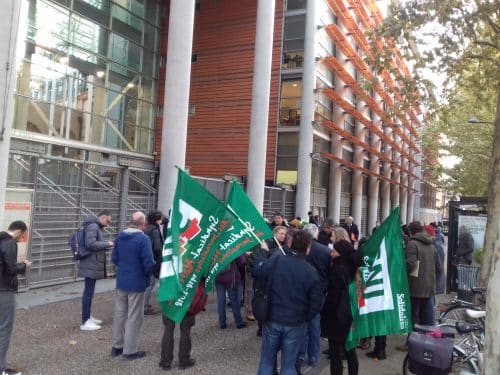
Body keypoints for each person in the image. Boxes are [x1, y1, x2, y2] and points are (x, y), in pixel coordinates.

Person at [253, 230, 323, 375]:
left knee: (267, 360)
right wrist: (305, 318)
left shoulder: (278, 260)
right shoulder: (311, 272)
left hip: (273, 318)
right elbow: (316, 303)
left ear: (291, 244)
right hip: (295, 322)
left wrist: (263, 252)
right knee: (288, 365)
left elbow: (259, 271)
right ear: (308, 248)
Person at [111, 211, 155, 360]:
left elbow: (114, 258)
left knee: (120, 314)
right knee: (134, 316)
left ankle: (117, 346)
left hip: (122, 280)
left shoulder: (120, 237)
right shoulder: (143, 239)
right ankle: (129, 351)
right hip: (137, 281)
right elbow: (148, 262)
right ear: (143, 224)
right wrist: (148, 275)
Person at [396, 221, 442, 352]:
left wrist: (399, 268)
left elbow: (410, 264)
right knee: (425, 318)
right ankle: (423, 343)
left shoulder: (412, 244)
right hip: (429, 288)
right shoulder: (431, 246)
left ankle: (411, 344)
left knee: (414, 318)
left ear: (410, 232)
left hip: (415, 288)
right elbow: (439, 268)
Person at [322, 239, 363, 375]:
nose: (331, 253)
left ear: (341, 253)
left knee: (335, 354)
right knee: (350, 350)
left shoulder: (338, 269)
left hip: (337, 317)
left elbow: (333, 298)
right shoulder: (352, 267)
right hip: (351, 313)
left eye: (334, 251)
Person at [298, 224, 332, 368]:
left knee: (302, 326)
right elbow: (328, 273)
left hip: (302, 292)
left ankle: (300, 355)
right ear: (316, 235)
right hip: (319, 292)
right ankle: (313, 357)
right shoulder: (326, 251)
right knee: (315, 325)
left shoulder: (299, 250)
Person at [0, 221, 31, 375]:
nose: (22, 238)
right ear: (18, 232)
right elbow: (11, 268)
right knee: (4, 329)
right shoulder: (10, 243)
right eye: (23, 235)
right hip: (4, 291)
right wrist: (24, 265)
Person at [78, 210, 113, 331]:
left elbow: (92, 244)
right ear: (102, 218)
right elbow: (90, 244)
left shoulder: (92, 225)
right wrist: (106, 243)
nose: (108, 224)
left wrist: (105, 245)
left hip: (90, 263)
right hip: (90, 263)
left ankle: (87, 317)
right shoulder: (93, 226)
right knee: (88, 292)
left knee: (89, 292)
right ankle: (86, 321)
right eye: (107, 221)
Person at [159, 281, 205, 371]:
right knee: (185, 329)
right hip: (187, 293)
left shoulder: (167, 265)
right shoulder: (193, 265)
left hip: (170, 293)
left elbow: (156, 271)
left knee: (168, 328)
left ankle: (165, 361)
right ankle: (184, 360)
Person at [215, 256, 247, 329]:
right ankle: (239, 322)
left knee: (220, 300)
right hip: (230, 277)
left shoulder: (214, 247)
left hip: (218, 277)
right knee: (234, 300)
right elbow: (241, 262)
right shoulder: (230, 246)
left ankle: (222, 323)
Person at [143, 211, 164, 315]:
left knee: (147, 283)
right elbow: (157, 247)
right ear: (156, 220)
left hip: (146, 258)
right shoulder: (155, 230)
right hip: (154, 259)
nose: (161, 220)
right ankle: (144, 307)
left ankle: (144, 304)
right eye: (160, 218)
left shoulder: (146, 228)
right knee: (150, 284)